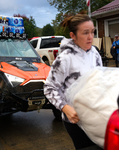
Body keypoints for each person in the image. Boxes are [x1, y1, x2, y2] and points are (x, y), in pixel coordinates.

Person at [44, 12, 103, 150]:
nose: (90, 37)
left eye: (92, 32)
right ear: (73, 36)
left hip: (94, 115)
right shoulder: (65, 58)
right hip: (75, 120)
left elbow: (100, 78)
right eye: (85, 33)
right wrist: (65, 108)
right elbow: (49, 88)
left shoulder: (94, 52)